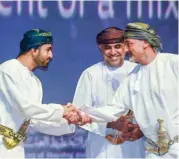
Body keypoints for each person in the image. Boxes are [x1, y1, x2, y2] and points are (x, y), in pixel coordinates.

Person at [82, 22, 179, 158]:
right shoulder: (132, 78)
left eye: (129, 44)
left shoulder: (173, 64)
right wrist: (83, 114)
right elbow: (114, 109)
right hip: (152, 152)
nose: (125, 50)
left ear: (145, 42)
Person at [0, 29, 91, 158]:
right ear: (34, 50)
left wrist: (68, 121)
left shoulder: (35, 83)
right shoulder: (9, 69)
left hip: (16, 150)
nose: (51, 55)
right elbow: (25, 108)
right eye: (48, 49)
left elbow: (35, 120)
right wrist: (61, 109)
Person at [73, 27, 145, 158]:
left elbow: (150, 108)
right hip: (101, 147)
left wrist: (140, 130)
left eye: (117, 46)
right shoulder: (90, 74)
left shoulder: (138, 71)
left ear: (125, 47)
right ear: (100, 48)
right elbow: (79, 113)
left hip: (134, 145)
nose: (113, 52)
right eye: (107, 47)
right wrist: (110, 124)